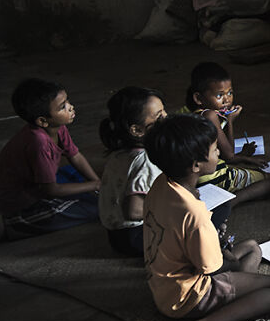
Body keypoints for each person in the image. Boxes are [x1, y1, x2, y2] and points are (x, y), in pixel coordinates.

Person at [142, 114, 270, 321]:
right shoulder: (194, 213)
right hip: (188, 297)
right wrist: (224, 252)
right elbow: (214, 268)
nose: (219, 156)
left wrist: (215, 240)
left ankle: (240, 293)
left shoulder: (162, 184)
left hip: (162, 285)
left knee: (253, 247)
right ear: (195, 165)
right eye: (214, 151)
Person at [98, 87, 230, 256]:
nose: (166, 117)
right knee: (218, 209)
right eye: (158, 116)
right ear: (137, 130)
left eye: (164, 111)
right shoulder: (146, 160)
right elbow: (133, 211)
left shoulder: (119, 152)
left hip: (116, 236)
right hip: (138, 238)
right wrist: (175, 210)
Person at [0, 78, 100, 238]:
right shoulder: (39, 143)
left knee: (76, 174)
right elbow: (51, 190)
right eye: (62, 107)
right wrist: (94, 185)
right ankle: (13, 226)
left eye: (67, 101)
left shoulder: (58, 127)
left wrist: (99, 185)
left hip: (38, 185)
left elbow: (75, 156)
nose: (71, 108)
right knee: (95, 210)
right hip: (24, 204)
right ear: (43, 121)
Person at [183, 62, 270, 205]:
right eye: (219, 95)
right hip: (211, 176)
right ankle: (231, 202)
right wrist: (230, 121)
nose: (227, 100)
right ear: (198, 98)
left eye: (230, 93)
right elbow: (229, 156)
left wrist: (244, 156)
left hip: (193, 176)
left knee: (244, 168)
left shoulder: (188, 112)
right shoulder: (210, 116)